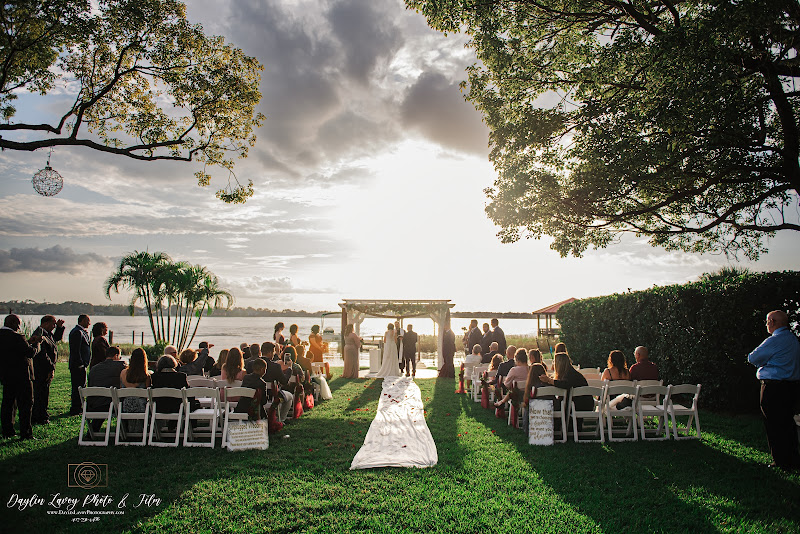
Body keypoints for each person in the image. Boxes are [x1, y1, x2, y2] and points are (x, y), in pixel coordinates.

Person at [747, 310, 800, 471]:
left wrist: (765, 363)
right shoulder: (793, 340)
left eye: (767, 321)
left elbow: (753, 358)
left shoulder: (774, 340)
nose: (766, 325)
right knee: (787, 423)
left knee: (774, 424)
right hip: (791, 387)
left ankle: (781, 460)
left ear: (773, 321)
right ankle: (792, 458)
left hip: (773, 387)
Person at [0, 314, 41, 440]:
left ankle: (8, 431)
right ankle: (26, 432)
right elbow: (30, 353)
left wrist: (27, 343)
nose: (19, 326)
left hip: (6, 375)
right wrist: (36, 345)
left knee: (8, 403)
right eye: (18, 324)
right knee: (26, 405)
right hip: (22, 376)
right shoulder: (17, 337)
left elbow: (14, 350)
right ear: (12, 323)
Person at [539, 352, 591, 430]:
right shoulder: (571, 373)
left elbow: (564, 384)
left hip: (579, 405)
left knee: (555, 405)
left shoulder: (570, 374)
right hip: (583, 403)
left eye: (554, 362)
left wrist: (549, 380)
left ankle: (553, 428)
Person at [31, 315, 64, 425]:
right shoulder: (39, 334)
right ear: (45, 323)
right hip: (41, 369)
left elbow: (55, 340)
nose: (54, 326)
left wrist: (60, 328)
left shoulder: (47, 333)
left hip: (45, 369)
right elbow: (42, 354)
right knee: (41, 393)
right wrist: (51, 367)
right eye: (53, 324)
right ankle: (40, 416)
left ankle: (41, 414)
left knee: (44, 392)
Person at [86, 346, 126, 431]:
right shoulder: (120, 366)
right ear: (116, 356)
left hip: (93, 405)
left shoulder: (94, 369)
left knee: (103, 399)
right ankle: (126, 430)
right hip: (110, 405)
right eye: (119, 357)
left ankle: (93, 430)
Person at [150, 354, 192, 424]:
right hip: (177, 408)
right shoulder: (181, 376)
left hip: (159, 408)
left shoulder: (154, 377)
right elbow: (187, 392)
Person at [119, 347, 152, 433]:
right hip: (141, 407)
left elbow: (121, 389)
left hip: (125, 406)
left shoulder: (123, 373)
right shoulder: (146, 376)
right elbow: (147, 395)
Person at [261, 342, 293, 422]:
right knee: (290, 397)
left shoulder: (251, 364)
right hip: (271, 396)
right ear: (269, 352)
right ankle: (280, 419)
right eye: (273, 352)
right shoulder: (275, 366)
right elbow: (284, 381)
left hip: (256, 395)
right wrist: (289, 368)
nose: (273, 354)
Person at [68, 314, 91, 415]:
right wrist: (80, 364)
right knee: (78, 387)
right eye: (87, 320)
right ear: (81, 321)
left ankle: (79, 406)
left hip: (83, 365)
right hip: (78, 366)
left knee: (81, 386)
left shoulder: (82, 332)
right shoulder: (77, 332)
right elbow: (75, 350)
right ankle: (76, 408)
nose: (89, 323)